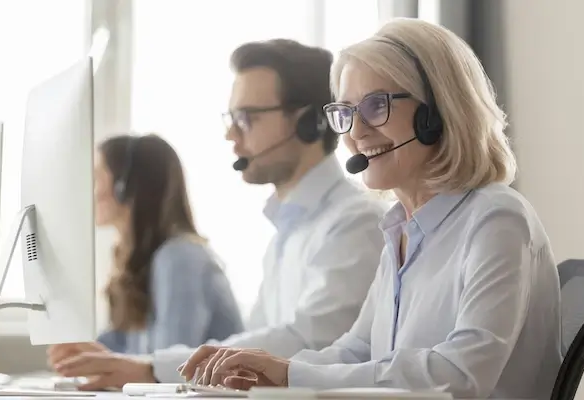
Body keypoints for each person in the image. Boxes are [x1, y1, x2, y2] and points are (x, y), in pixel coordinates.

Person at [178, 18, 563, 399]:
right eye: (346, 112)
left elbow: (460, 374)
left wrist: (292, 375)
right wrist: (265, 371)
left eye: (376, 106)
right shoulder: (402, 229)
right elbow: (356, 351)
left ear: (437, 112)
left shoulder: (496, 219)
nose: (356, 132)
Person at [47, 39, 388, 391]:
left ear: (309, 123)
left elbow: (311, 340)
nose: (230, 134)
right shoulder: (287, 232)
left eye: (247, 118)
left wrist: (153, 367)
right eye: (232, 118)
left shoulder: (355, 222)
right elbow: (255, 342)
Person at [47, 134, 244, 388]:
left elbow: (170, 364)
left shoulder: (180, 257)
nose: (89, 190)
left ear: (124, 187)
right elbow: (121, 352)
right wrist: (88, 355)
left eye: (97, 177)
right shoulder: (137, 262)